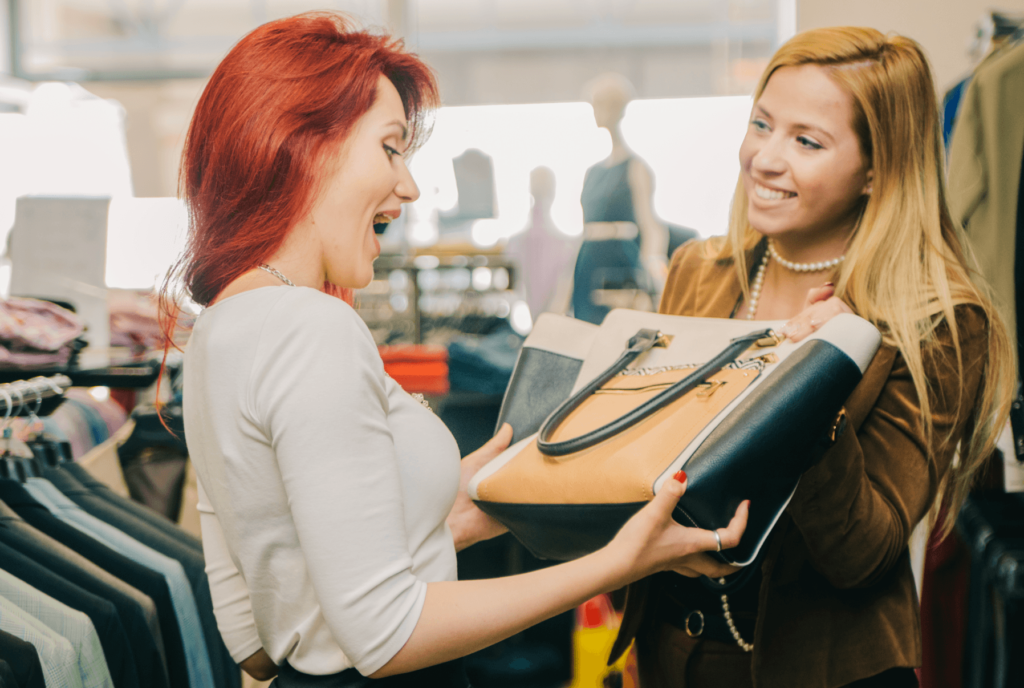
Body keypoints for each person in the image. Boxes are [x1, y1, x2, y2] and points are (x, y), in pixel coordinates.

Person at [159, 12, 749, 688]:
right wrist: (619, 563)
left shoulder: (217, 330)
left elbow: (258, 634)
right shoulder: (310, 326)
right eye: (389, 148)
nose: (408, 185)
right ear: (307, 146)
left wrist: (479, 496)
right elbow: (385, 635)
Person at [610, 27, 1017, 688]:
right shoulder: (699, 269)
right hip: (671, 653)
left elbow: (861, 554)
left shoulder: (938, 318)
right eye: (761, 124)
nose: (765, 159)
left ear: (878, 167)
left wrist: (811, 384)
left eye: (807, 141)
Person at [572, 72, 669, 324]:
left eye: (601, 104)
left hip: (620, 264)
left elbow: (651, 226)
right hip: (587, 263)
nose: (595, 111)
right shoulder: (591, 173)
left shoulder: (635, 168)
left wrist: (654, 276)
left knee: (620, 333)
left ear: (617, 108)